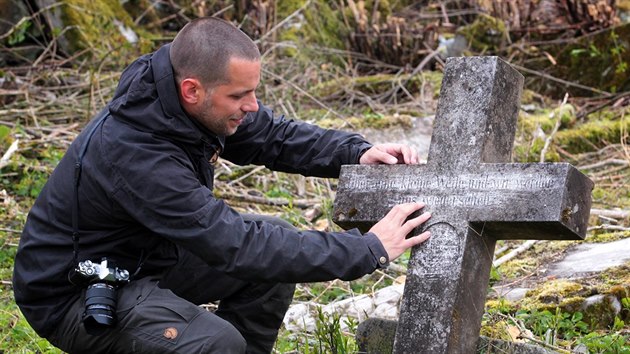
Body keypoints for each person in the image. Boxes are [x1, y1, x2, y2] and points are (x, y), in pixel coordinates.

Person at [13, 17, 431, 354]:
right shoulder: (135, 153)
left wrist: (355, 151)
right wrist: (368, 249)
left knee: (273, 259)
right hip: (74, 291)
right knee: (214, 342)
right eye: (240, 96)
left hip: (146, 258)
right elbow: (234, 243)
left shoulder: (182, 105)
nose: (251, 106)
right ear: (192, 90)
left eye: (254, 92)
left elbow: (274, 137)